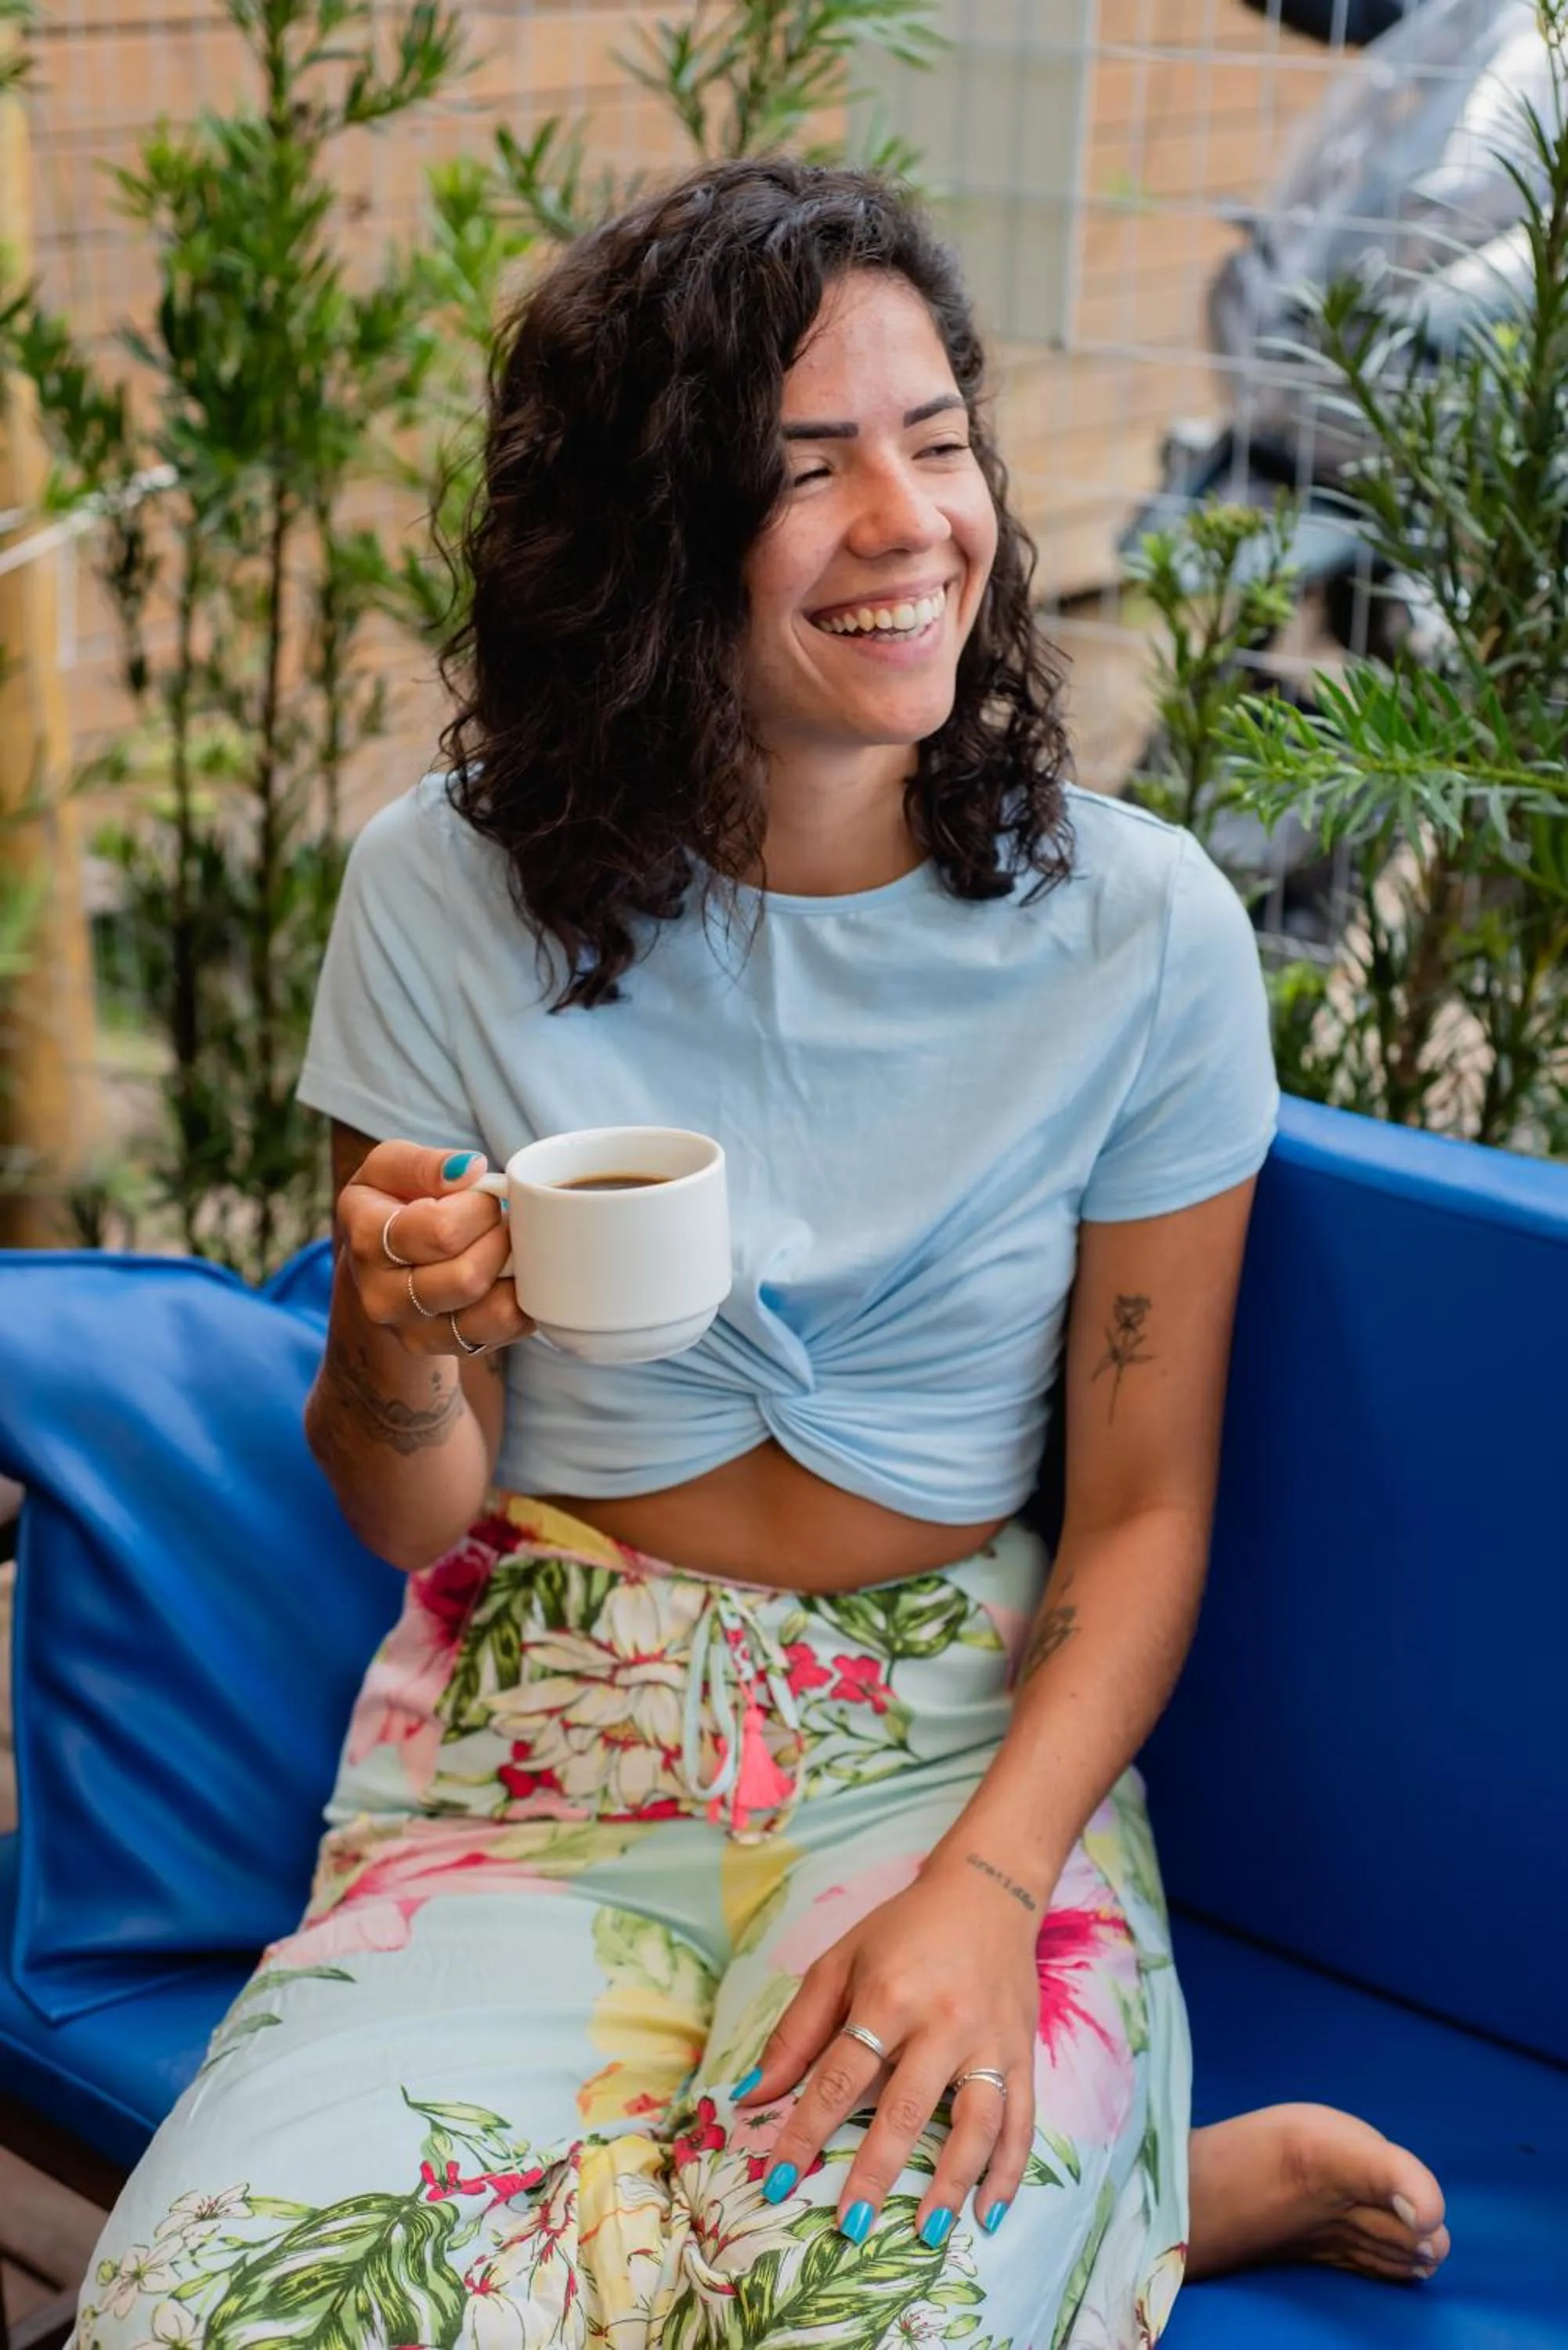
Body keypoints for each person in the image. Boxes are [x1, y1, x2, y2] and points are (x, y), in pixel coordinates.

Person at [73, 158, 1447, 2350]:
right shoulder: (442, 894)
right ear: (645, 541)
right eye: (809, 470)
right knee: (218, 2317)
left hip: (948, 1734)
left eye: (938, 439)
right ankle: (1142, 2200)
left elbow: (1146, 1499)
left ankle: (1123, 2177)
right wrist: (399, 1345)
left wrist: (991, 1893)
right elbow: (415, 1505)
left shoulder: (1141, 933)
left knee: (850, 2319)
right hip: (544, 1708)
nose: (912, 520)